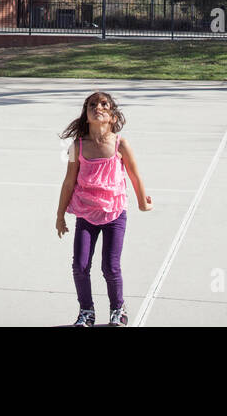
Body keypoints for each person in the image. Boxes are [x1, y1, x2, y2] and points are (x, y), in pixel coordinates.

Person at [56, 91, 152, 326]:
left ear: (112, 115)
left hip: (114, 213)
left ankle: (118, 309)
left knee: (110, 267)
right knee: (80, 265)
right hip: (86, 215)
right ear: (86, 115)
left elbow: (134, 175)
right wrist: (60, 215)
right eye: (92, 104)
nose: (97, 107)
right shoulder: (77, 147)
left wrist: (142, 202)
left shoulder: (121, 143)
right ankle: (86, 311)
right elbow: (69, 181)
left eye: (104, 104)